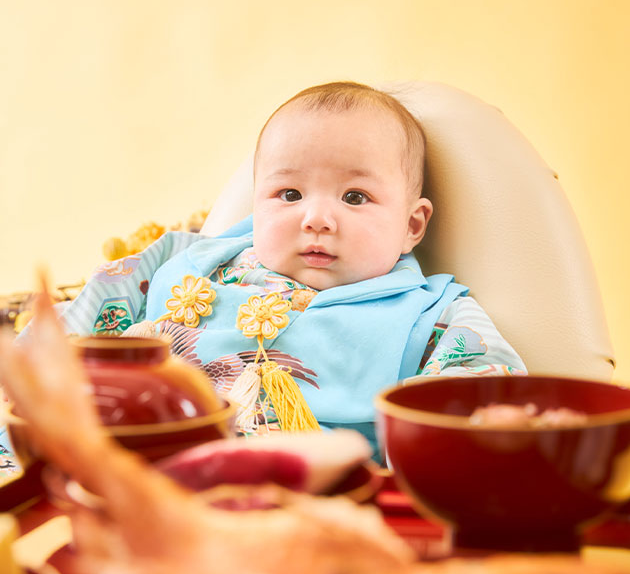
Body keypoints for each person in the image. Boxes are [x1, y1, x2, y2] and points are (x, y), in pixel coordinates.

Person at [0, 82, 525, 474]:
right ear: (257, 202)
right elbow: (75, 331)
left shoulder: (433, 314)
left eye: (355, 197)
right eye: (289, 195)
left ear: (412, 226)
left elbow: (478, 400)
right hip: (135, 470)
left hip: (305, 496)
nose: (316, 218)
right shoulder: (181, 261)